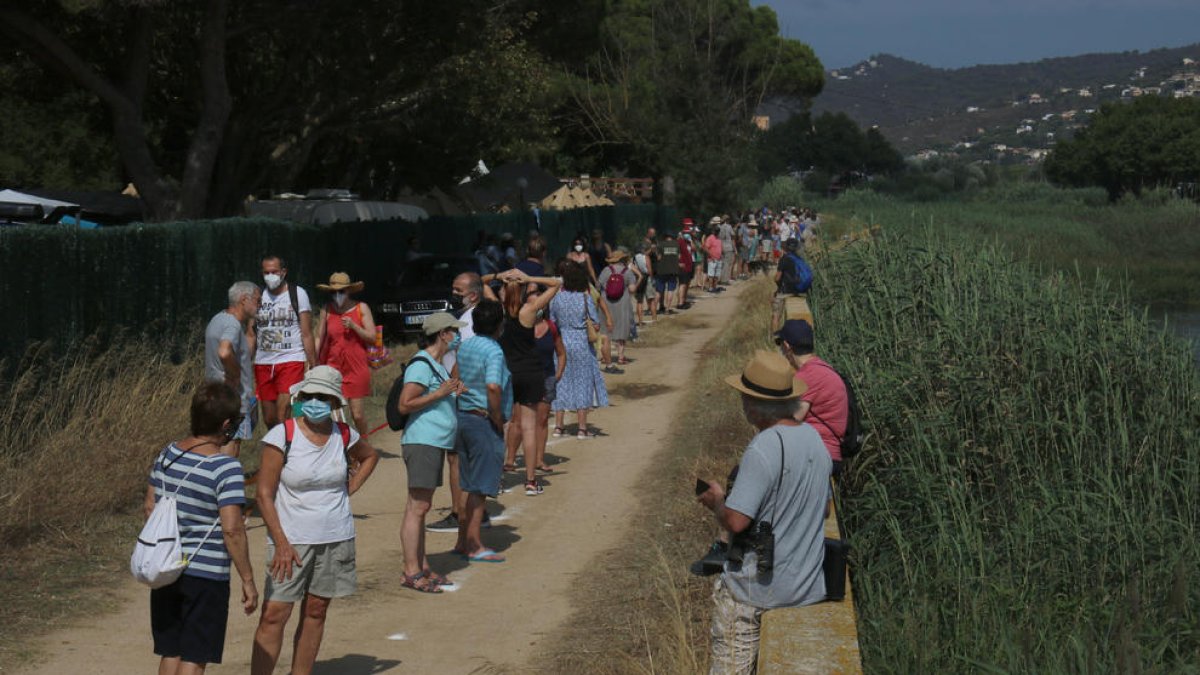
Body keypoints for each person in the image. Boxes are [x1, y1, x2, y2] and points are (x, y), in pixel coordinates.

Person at [697, 351, 831, 673]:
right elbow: (824, 510)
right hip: (806, 586)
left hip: (757, 590)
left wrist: (717, 500)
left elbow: (736, 520)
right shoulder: (815, 439)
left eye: (744, 397)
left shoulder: (763, 447)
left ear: (754, 406)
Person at [250, 366, 379, 675]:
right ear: (301, 396)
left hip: (335, 537)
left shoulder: (344, 434)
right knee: (274, 614)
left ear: (335, 403)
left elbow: (369, 456)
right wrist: (281, 542)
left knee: (316, 611)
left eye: (324, 397)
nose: (316, 402)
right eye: (311, 396)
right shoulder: (282, 435)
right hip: (292, 541)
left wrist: (352, 486)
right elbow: (263, 495)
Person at [145, 382, 257, 675]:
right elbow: (232, 530)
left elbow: (150, 507)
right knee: (195, 654)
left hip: (167, 567)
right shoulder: (226, 468)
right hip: (205, 575)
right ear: (225, 424)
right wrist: (247, 579)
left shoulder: (167, 454)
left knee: (172, 650)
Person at [397, 312, 467, 593]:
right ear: (443, 334)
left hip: (433, 441)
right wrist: (439, 394)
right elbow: (406, 403)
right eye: (454, 331)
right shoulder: (421, 364)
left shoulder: (436, 364)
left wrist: (451, 391)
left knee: (420, 506)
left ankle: (421, 566)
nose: (457, 335)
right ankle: (411, 570)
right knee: (418, 506)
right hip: (423, 441)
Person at [486, 268, 561, 496]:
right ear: (521, 292)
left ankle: (497, 479)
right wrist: (529, 278)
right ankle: (530, 480)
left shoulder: (497, 311)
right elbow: (556, 284)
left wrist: (500, 276)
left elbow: (481, 283)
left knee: (503, 426)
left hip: (505, 372)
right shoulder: (529, 310)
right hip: (530, 372)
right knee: (529, 427)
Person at [427, 271, 490, 534]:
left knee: (456, 456)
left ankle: (460, 512)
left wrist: (453, 387)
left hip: (463, 393)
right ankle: (475, 509)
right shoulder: (473, 316)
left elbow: (465, 359)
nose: (453, 294)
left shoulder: (470, 322)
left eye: (458, 290)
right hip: (471, 393)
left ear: (473, 295)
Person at [452, 300, 511, 562]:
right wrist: (497, 417)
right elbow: (493, 387)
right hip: (483, 420)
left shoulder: (466, 346)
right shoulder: (494, 351)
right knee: (480, 486)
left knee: (467, 483)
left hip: (462, 417)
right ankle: (474, 544)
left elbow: (454, 375)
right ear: (500, 325)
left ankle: (463, 540)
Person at [776, 320, 849, 476]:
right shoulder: (823, 368)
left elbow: (791, 421)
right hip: (831, 454)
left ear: (787, 346)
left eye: (780, 345)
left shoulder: (807, 376)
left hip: (817, 457)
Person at [549, 261, 610, 439]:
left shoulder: (556, 298)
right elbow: (596, 324)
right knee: (583, 383)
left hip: (561, 342)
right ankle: (582, 428)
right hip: (581, 342)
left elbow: (553, 321)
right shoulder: (585, 298)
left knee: (561, 383)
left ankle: (558, 427)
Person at [255, 255, 316, 429]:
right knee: (269, 418)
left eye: (274, 272)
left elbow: (306, 333)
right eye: (266, 272)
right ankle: (282, 444)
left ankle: (287, 454)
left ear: (283, 272)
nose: (270, 276)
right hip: (263, 362)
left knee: (283, 412)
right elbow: (251, 333)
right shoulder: (258, 296)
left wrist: (313, 363)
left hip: (291, 359)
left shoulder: (297, 293)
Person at [314, 272, 376, 433]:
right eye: (333, 292)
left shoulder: (361, 308)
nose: (337, 295)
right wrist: (311, 361)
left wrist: (355, 327)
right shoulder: (327, 310)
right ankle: (343, 446)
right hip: (333, 366)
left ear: (349, 291)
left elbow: (372, 337)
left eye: (341, 291)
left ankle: (363, 444)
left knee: (357, 414)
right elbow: (319, 337)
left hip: (356, 366)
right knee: (335, 414)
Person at [204, 281, 261, 457]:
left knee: (219, 439)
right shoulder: (232, 325)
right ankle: (226, 482)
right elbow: (224, 351)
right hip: (232, 396)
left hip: (216, 392)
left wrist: (251, 330)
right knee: (231, 441)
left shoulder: (218, 318)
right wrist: (235, 375)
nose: (260, 305)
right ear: (244, 299)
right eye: (257, 301)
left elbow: (242, 354)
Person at [597, 247, 639, 372]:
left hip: (606, 303)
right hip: (622, 304)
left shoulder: (606, 270)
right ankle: (621, 357)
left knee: (605, 331)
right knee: (621, 330)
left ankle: (605, 357)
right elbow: (632, 289)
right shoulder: (627, 272)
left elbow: (598, 286)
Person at [771, 238, 814, 331]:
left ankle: (775, 337)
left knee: (776, 316)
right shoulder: (800, 259)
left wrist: (777, 283)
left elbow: (777, 278)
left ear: (786, 247)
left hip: (785, 292)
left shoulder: (784, 259)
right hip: (800, 291)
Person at [655, 230, 681, 315]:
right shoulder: (676, 244)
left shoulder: (661, 244)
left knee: (659, 291)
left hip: (662, 270)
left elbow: (658, 258)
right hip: (673, 270)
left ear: (665, 237)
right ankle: (668, 309)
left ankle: (653, 309)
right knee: (670, 290)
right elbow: (679, 257)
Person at [704, 221, 724, 293]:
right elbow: (706, 248)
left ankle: (714, 287)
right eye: (716, 231)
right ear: (713, 231)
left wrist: (721, 254)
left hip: (719, 259)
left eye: (718, 231)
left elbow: (720, 248)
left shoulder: (719, 239)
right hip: (712, 259)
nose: (717, 232)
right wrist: (711, 256)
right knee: (711, 274)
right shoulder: (710, 238)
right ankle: (710, 287)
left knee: (717, 275)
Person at [718, 216, 736, 285]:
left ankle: (720, 278)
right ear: (728, 220)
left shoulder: (720, 227)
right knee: (727, 264)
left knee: (722, 263)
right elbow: (733, 235)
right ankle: (725, 280)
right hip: (728, 246)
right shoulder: (729, 227)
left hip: (721, 246)